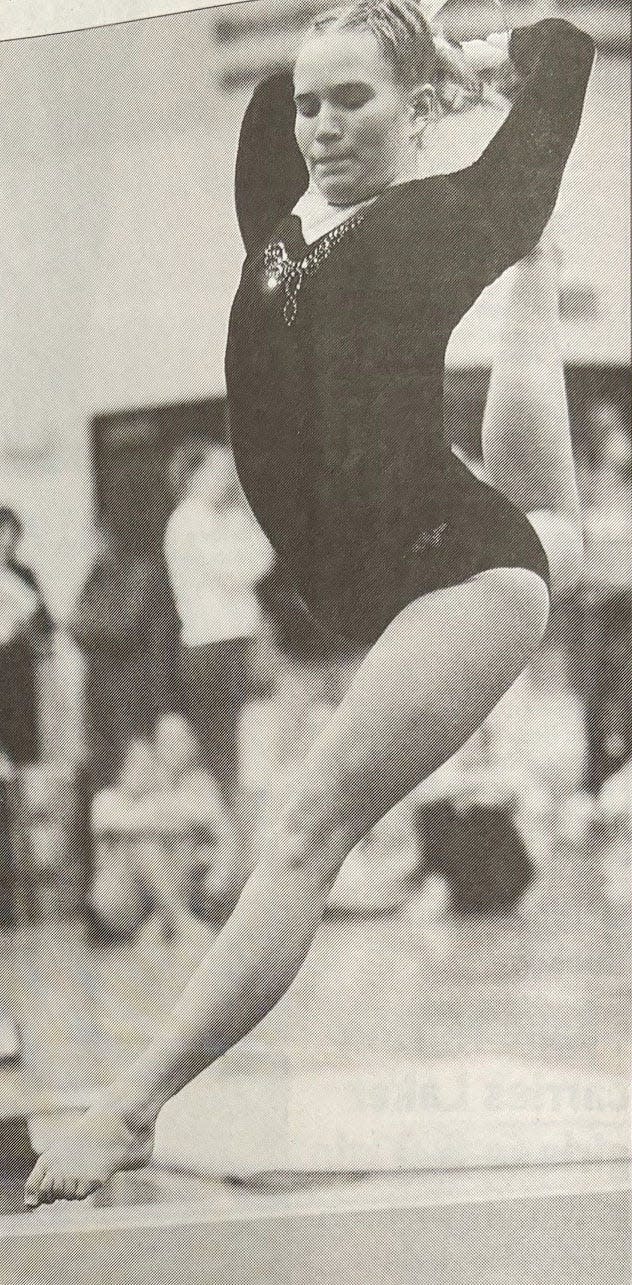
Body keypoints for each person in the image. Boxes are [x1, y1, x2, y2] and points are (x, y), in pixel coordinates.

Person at [25, 2, 595, 1204]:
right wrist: (368, 49)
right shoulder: (272, 217)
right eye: (310, 103)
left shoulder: (436, 223)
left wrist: (465, 60)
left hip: (456, 573)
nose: (323, 125)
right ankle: (541, 295)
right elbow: (263, 106)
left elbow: (563, 67)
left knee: (301, 831)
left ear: (413, 113)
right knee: (551, 519)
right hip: (349, 585)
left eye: (356, 103)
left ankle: (129, 1106)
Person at [164, 442, 274, 800]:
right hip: (218, 646)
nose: (226, 476)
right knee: (232, 752)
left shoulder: (216, 517)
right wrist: (269, 532)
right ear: (195, 475)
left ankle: (246, 830)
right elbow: (245, 568)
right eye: (217, 469)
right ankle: (239, 836)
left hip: (230, 641)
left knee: (247, 747)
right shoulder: (191, 519)